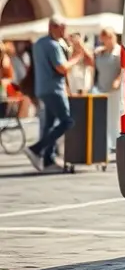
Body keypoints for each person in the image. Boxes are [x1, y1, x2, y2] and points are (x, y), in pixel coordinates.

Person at [23, 17, 91, 172]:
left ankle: (48, 160)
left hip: (43, 88)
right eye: (62, 28)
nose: (65, 31)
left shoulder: (40, 43)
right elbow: (62, 68)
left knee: (49, 125)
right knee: (67, 122)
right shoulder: (53, 45)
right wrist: (77, 57)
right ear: (54, 27)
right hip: (54, 90)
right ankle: (36, 149)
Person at [91, 28, 124, 155]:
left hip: (115, 89)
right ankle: (106, 143)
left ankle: (115, 143)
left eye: (108, 37)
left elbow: (123, 68)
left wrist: (118, 80)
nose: (105, 40)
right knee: (103, 116)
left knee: (115, 116)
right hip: (101, 87)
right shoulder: (100, 52)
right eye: (103, 37)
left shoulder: (119, 51)